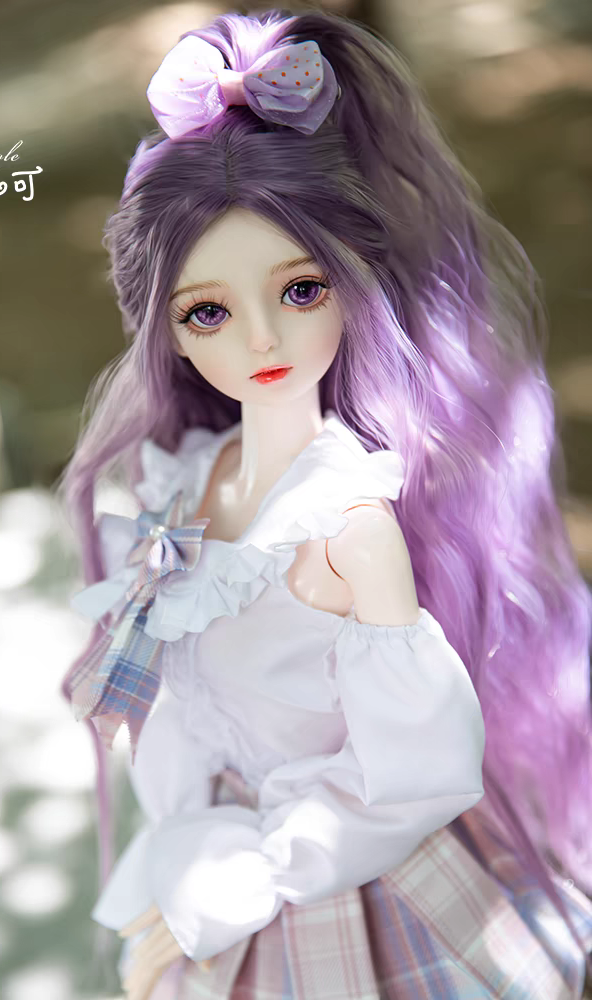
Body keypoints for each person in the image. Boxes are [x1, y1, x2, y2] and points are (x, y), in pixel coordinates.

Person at [57, 9, 592, 999]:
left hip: (344, 881)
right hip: (218, 867)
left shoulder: (345, 524)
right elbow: (181, 712)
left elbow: (417, 771)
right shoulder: (186, 480)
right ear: (167, 332)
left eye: (301, 290)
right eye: (208, 310)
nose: (260, 336)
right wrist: (182, 843)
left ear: (353, 285)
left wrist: (255, 867)